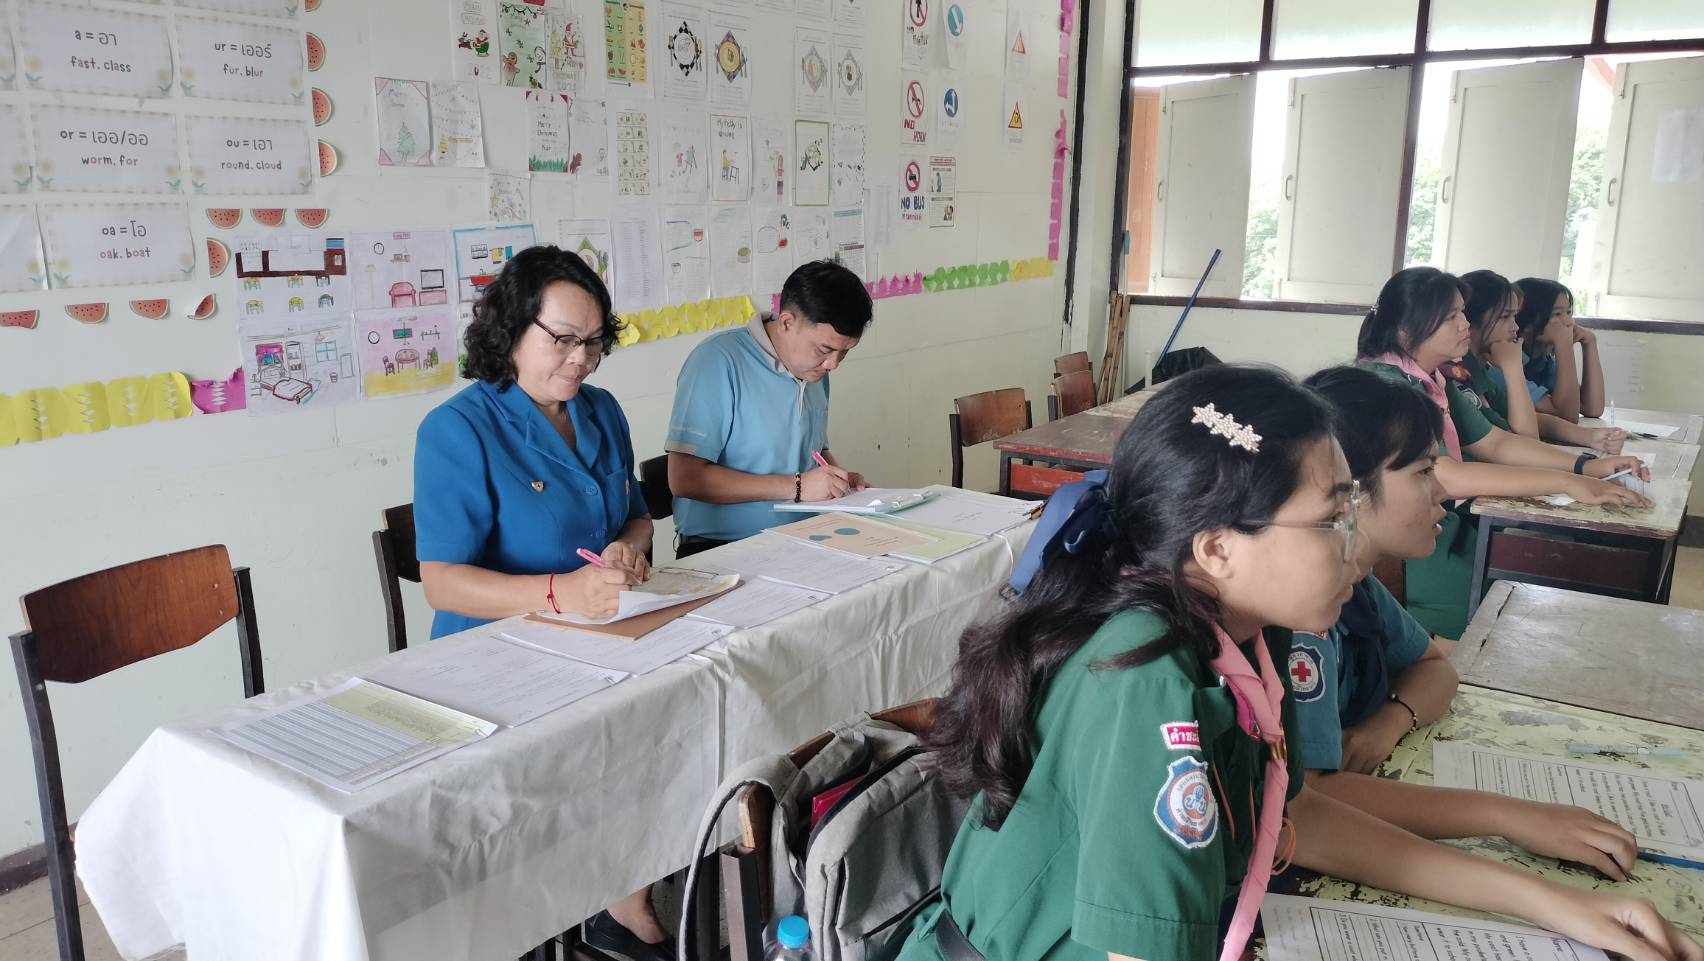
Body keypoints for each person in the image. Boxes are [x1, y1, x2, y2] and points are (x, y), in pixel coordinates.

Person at [892, 365, 1699, 961]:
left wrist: (1552, 903)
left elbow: (1290, 817)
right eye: (1333, 516)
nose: (1355, 541)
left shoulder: (1246, 634)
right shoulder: (1145, 677)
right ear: (1217, 547)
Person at [411, 245, 668, 959]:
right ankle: (542, 918)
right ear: (511, 329)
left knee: (670, 717)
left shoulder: (602, 411)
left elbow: (637, 516)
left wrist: (627, 549)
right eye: (563, 339)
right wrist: (560, 593)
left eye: (594, 342)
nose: (581, 359)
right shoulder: (458, 430)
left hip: (597, 635)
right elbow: (442, 581)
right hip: (493, 659)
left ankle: (624, 899)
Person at [1356, 267, 1650, 638]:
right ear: (1405, 330)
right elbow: (1445, 476)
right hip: (1414, 546)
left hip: (1443, 524)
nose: (1465, 324)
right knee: (1518, 601)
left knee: (1541, 577)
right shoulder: (1387, 387)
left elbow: (1495, 441)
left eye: (1463, 313)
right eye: (1451, 317)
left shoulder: (1433, 378)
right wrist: (1567, 482)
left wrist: (1587, 467)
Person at [1295, 366, 1459, 776]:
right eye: (1424, 471)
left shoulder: (1359, 585)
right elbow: (1309, 795)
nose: (1442, 493)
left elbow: (1435, 668)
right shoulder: (1302, 618)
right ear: (1346, 488)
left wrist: (1390, 721)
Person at [665, 260, 874, 557]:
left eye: (844, 352)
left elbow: (814, 450)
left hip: (806, 539)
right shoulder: (717, 362)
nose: (833, 364)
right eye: (825, 349)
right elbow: (684, 479)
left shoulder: (814, 371)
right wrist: (798, 487)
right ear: (787, 322)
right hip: (724, 549)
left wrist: (837, 480)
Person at [1451, 271, 1623, 452]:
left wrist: (1590, 436)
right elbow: (1529, 440)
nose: (1515, 326)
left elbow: (1579, 411)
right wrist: (1514, 368)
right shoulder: (1473, 372)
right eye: (1505, 316)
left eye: (1569, 312)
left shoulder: (1484, 371)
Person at [1514, 277, 1606, 423]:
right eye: (1557, 314)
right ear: (1527, 324)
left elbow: (1592, 408)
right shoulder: (1506, 364)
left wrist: (1590, 343)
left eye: (1569, 312)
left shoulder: (1543, 361)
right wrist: (1564, 345)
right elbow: (1567, 416)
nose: (1569, 322)